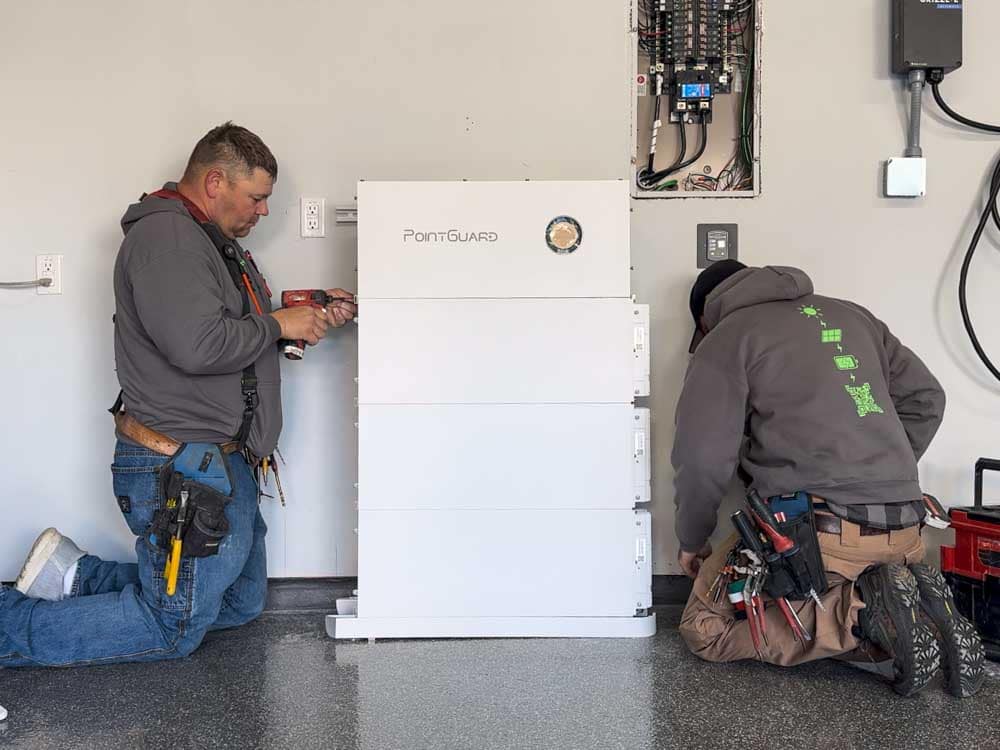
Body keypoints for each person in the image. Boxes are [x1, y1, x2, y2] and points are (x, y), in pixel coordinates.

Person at [0, 122, 356, 667]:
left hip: (219, 461)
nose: (263, 211)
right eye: (257, 197)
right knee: (172, 628)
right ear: (215, 182)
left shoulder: (211, 244)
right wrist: (280, 325)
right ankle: (9, 629)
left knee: (238, 601)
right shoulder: (166, 239)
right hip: (181, 466)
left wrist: (301, 311)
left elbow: (236, 324)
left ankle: (74, 575)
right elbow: (198, 345)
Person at [672, 261, 984, 697]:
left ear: (705, 317)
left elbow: (702, 457)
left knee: (704, 629)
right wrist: (879, 472)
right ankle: (916, 612)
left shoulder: (727, 337)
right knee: (824, 616)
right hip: (907, 532)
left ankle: (860, 613)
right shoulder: (854, 316)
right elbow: (927, 398)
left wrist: (692, 540)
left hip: (817, 539)